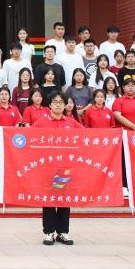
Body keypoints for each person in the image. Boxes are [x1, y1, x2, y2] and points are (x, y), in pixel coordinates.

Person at [33, 92, 84, 245]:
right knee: (48, 199)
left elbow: (86, 136)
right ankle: (49, 232)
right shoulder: (41, 122)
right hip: (47, 168)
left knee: (64, 199)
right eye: (55, 102)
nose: (58, 105)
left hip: (65, 168)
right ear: (49, 105)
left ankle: (63, 232)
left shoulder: (71, 122)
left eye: (61, 102)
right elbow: (30, 139)